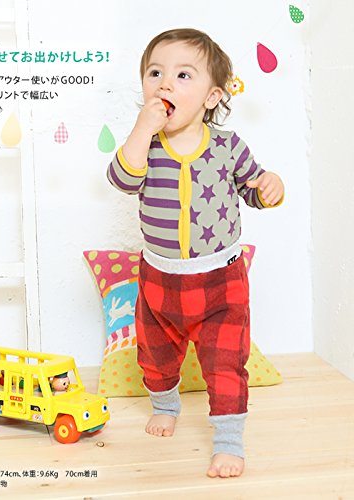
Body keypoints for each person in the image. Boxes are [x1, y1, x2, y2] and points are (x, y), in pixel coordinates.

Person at [107, 28, 284, 479]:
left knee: (225, 362)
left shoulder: (227, 146)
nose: (165, 83)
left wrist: (270, 187)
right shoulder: (145, 146)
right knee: (155, 354)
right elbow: (123, 180)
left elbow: (253, 189)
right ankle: (165, 404)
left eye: (183, 75)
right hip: (160, 279)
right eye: (155, 73)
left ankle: (228, 440)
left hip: (220, 281)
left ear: (211, 97)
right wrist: (141, 128)